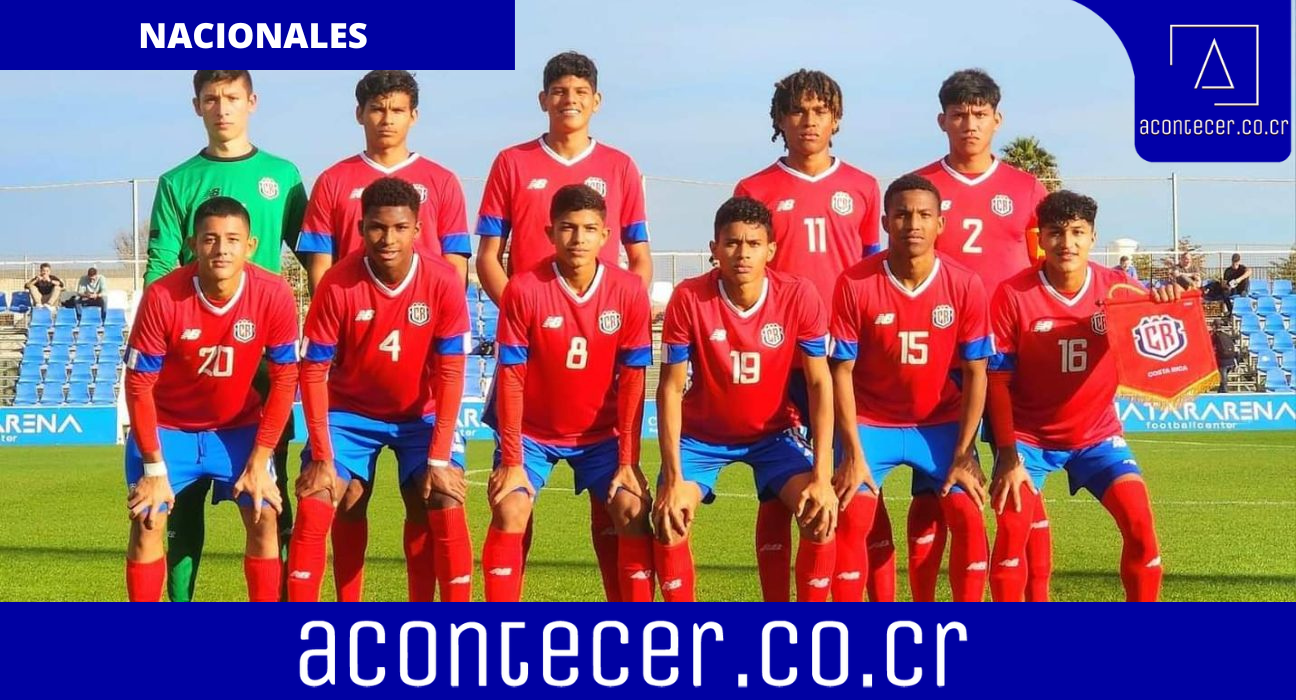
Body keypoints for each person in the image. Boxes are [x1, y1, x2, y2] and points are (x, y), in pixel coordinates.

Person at [475, 51, 653, 600]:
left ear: (595, 101)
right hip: (531, 349)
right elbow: (488, 256)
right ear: (543, 99)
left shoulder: (621, 166)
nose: (569, 99)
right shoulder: (512, 162)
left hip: (598, 346)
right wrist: (535, 318)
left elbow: (638, 258)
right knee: (512, 504)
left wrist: (607, 318)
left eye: (580, 91)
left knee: (620, 510)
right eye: (558, 90)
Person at [145, 70, 307, 603]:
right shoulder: (177, 181)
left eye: (232, 97)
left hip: (260, 357)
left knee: (265, 494)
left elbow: (313, 255)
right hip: (190, 350)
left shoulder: (282, 176)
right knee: (177, 504)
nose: (222, 107)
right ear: (197, 106)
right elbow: (161, 265)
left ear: (252, 102)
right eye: (211, 98)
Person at [899, 68, 1050, 602]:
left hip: (1012, 359)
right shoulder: (919, 189)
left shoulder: (1027, 189)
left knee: (1020, 481)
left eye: (980, 114)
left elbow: (1046, 269)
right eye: (959, 114)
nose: (969, 123)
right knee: (933, 486)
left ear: (997, 119)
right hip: (940, 360)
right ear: (942, 119)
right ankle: (922, 607)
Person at [732, 69, 881, 601]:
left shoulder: (863, 187)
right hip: (781, 364)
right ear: (779, 120)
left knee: (853, 487)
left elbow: (870, 275)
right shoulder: (755, 188)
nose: (809, 120)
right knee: (777, 494)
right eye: (797, 110)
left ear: (836, 119)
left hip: (845, 363)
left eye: (820, 110)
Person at [287, 177, 472, 602]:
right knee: (327, 493)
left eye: (399, 228)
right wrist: (320, 455)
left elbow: (450, 373)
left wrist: (440, 458)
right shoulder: (337, 283)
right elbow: (312, 372)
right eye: (377, 227)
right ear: (360, 228)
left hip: (420, 414)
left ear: (418, 229)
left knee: (440, 495)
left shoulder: (443, 281)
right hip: (350, 414)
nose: (388, 238)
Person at [653, 196, 838, 602]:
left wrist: (823, 478)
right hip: (701, 438)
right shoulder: (689, 298)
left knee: (819, 515)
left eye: (753, 244)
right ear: (714, 249)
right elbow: (669, 388)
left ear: (770, 250)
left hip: (773, 436)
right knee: (669, 518)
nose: (742, 253)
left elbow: (820, 385)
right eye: (732, 243)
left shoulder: (798, 295)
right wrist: (670, 477)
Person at [987, 190, 1166, 602]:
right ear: (1040, 238)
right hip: (1029, 441)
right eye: (1055, 233)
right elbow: (997, 381)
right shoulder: (1013, 294)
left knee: (1140, 526)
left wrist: (1168, 299)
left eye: (1077, 233)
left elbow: (1160, 322)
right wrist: (1008, 455)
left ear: (1092, 237)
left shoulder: (1119, 289)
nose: (1066, 243)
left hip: (1097, 436)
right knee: (1012, 533)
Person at [122, 196, 299, 602]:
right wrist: (153, 467)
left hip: (236, 428)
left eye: (233, 239)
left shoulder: (273, 294)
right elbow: (138, 385)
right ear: (192, 243)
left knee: (264, 513)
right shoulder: (163, 297)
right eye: (211, 239)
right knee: (148, 519)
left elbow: (286, 376)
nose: (222, 249)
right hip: (169, 428)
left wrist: (260, 458)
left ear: (250, 245)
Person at [828, 174, 992, 602]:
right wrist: (851, 453)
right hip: (871, 424)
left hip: (939, 424)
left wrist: (964, 452)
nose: (912, 224)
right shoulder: (855, 282)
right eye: (902, 214)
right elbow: (840, 372)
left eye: (924, 215)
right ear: (885, 221)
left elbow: (977, 373)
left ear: (941, 223)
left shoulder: (965, 283)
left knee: (968, 514)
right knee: (850, 514)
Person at [297, 70, 471, 292]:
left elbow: (455, 264)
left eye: (398, 110)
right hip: (354, 315)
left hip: (423, 316)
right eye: (378, 109)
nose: (388, 120)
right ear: (359, 114)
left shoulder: (443, 180)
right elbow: (320, 266)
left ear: (413, 116)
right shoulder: (331, 181)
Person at [1211, 320, 1238, 393]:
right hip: (1231, 359)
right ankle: (1221, 390)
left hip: (1222, 359)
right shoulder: (1226, 335)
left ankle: (1225, 391)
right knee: (1224, 375)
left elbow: (1210, 345)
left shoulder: (1215, 336)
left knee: (1223, 376)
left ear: (1214, 326)